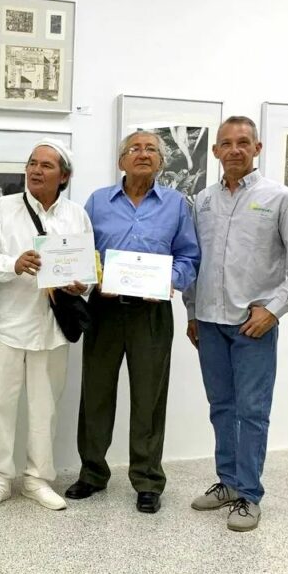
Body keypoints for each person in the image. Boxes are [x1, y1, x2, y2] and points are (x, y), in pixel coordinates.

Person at [185, 116, 288, 532]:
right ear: (215, 151)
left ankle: (249, 494)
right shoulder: (203, 201)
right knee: (221, 407)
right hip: (209, 323)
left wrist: (274, 311)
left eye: (244, 142)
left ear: (257, 148)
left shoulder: (280, 198)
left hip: (251, 325)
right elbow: (195, 261)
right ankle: (227, 481)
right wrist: (191, 312)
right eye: (226, 143)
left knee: (252, 411)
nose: (235, 149)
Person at [66, 131, 200, 514]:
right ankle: (92, 472)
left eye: (151, 149)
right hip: (104, 309)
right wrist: (85, 278)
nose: (143, 154)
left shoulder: (176, 205)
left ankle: (147, 480)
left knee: (149, 398)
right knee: (96, 393)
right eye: (135, 149)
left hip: (151, 313)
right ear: (121, 160)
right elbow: (82, 253)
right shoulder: (98, 202)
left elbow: (189, 257)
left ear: (161, 161)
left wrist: (169, 281)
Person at [0, 139, 91, 511]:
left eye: (46, 165)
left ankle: (37, 480)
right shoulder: (1, 209)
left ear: (64, 176)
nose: (36, 170)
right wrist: (13, 264)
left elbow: (87, 269)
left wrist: (80, 284)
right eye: (32, 163)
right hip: (6, 323)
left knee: (45, 407)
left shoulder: (76, 215)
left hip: (52, 327)